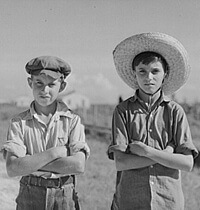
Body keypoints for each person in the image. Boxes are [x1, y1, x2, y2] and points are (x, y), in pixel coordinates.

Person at [107, 32, 198, 210]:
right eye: (142, 71)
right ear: (135, 74)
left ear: (165, 74)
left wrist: (146, 151)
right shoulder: (123, 111)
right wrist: (167, 154)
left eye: (155, 71)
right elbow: (121, 163)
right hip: (131, 201)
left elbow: (187, 163)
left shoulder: (175, 112)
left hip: (168, 202)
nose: (149, 78)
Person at [1, 56, 90, 210]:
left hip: (64, 195)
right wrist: (54, 153)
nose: (44, 90)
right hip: (30, 193)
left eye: (51, 85)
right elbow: (13, 168)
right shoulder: (19, 123)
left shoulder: (72, 121)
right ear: (30, 83)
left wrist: (30, 163)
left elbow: (78, 165)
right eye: (39, 83)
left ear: (62, 86)